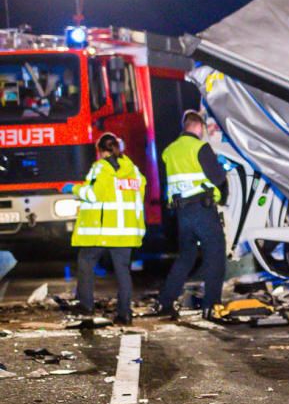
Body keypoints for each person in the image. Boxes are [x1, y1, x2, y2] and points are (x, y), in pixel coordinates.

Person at [68, 133, 146, 325]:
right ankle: (124, 313)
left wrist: (73, 189)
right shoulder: (134, 171)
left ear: (101, 151)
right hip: (127, 232)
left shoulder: (101, 167)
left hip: (104, 231)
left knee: (86, 261)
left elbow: (94, 195)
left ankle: (86, 305)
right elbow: (140, 194)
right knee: (123, 271)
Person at [157, 110, 227, 320]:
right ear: (198, 127)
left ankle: (166, 302)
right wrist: (223, 169)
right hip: (203, 209)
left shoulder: (169, 151)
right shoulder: (200, 147)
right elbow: (217, 178)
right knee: (215, 257)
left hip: (182, 213)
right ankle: (211, 306)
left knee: (185, 258)